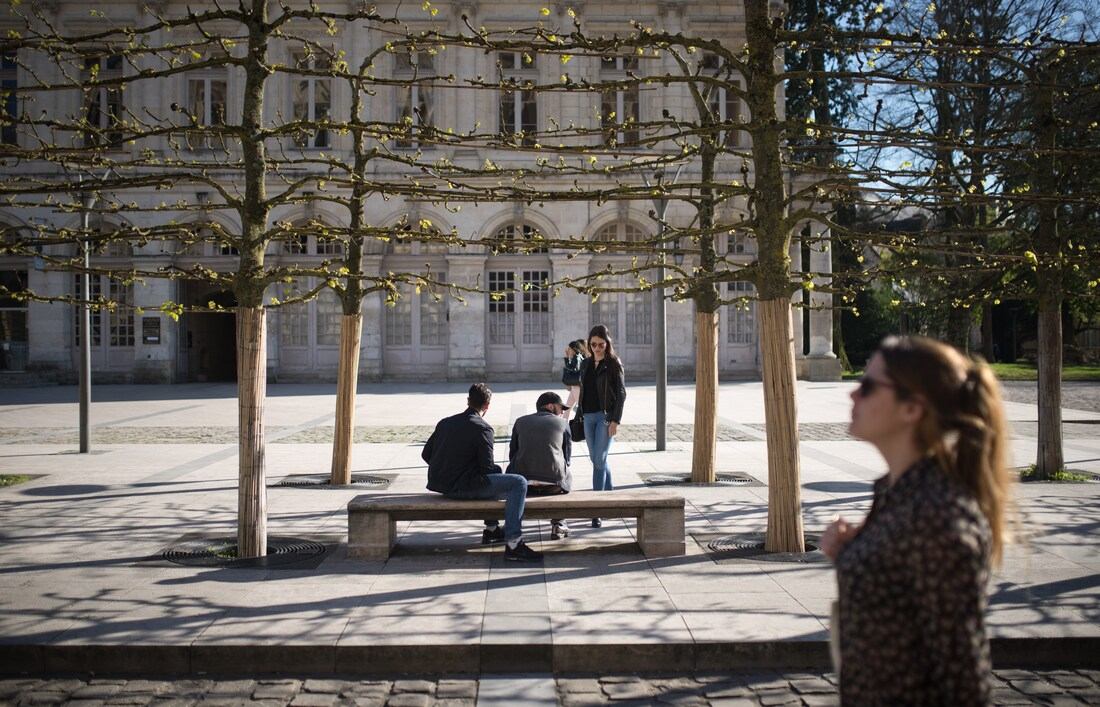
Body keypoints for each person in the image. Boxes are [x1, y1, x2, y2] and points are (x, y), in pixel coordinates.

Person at [820, 336, 1012, 705]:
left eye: (869, 386)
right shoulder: (897, 494)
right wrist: (852, 553)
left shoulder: (939, 519)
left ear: (912, 408)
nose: (853, 395)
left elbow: (964, 679)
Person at [423, 383, 542, 561]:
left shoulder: (445, 422)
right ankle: (514, 544)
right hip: (462, 488)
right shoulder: (483, 428)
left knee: (494, 476)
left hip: (441, 485)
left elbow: (426, 454)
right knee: (518, 482)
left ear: (468, 401)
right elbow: (487, 468)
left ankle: (492, 529)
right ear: (487, 406)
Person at [576, 324, 626, 527]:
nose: (597, 348)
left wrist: (615, 420)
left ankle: (597, 509)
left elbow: (621, 394)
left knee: (598, 460)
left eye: (601, 344)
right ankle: (610, 496)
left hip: (605, 417)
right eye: (593, 344)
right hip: (588, 417)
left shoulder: (613, 364)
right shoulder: (586, 364)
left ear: (607, 343)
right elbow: (582, 388)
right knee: (597, 458)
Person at [508, 391, 573, 540]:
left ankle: (510, 523)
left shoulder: (520, 421)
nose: (562, 412)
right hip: (553, 485)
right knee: (566, 472)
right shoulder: (563, 423)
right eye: (560, 408)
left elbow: (512, 454)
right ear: (550, 406)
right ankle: (559, 523)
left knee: (511, 469)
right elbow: (567, 457)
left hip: (523, 484)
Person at [562, 339, 588, 410]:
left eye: (569, 349)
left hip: (576, 385)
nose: (568, 350)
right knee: (567, 407)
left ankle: (581, 419)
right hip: (576, 385)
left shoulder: (577, 358)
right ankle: (564, 420)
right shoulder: (578, 357)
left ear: (573, 349)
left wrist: (567, 358)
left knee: (579, 407)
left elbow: (573, 370)